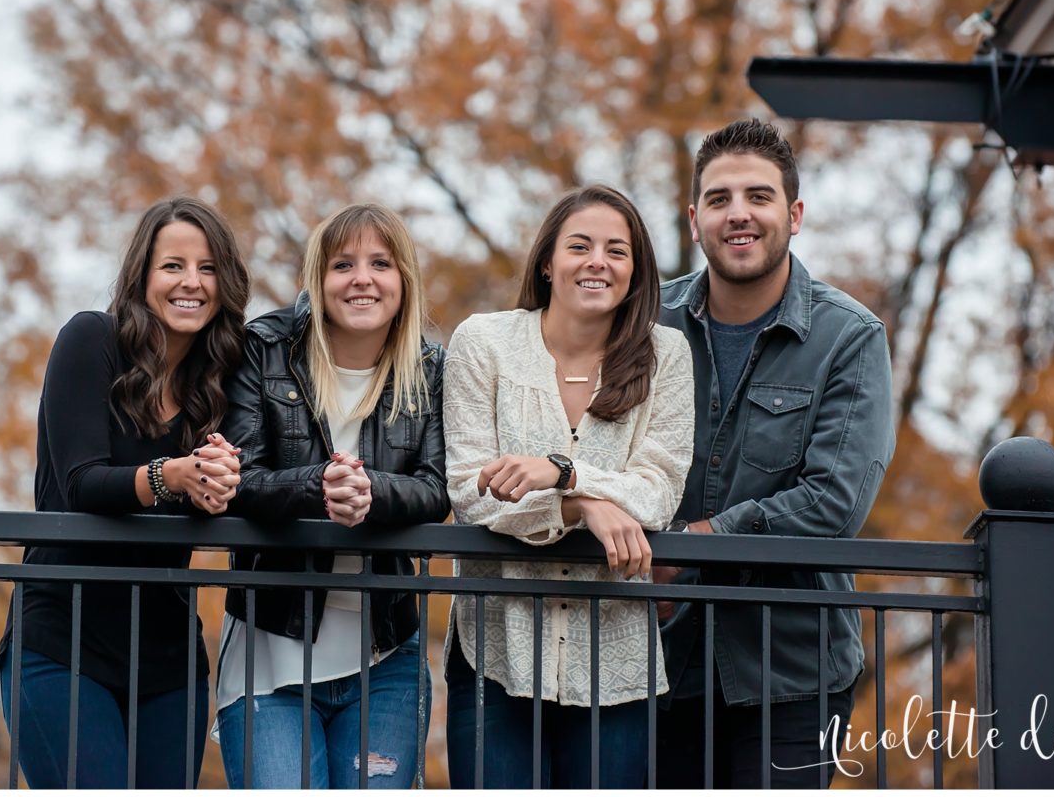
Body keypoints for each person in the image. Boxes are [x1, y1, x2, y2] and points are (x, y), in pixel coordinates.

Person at [654, 119, 895, 789]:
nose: (739, 215)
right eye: (720, 198)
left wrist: (698, 541)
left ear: (793, 215)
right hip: (649, 665)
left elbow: (833, 505)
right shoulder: (646, 321)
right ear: (694, 215)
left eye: (758, 197)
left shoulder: (849, 337)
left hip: (792, 673)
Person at [443, 185, 694, 789]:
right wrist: (582, 505)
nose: (597, 262)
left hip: (618, 658)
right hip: (495, 651)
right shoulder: (484, 343)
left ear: (635, 272)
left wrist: (565, 473)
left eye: (617, 250)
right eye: (579, 246)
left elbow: (659, 492)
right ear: (548, 263)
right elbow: (468, 491)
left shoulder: (667, 355)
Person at [0, 197, 250, 788]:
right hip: (63, 642)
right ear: (142, 276)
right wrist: (173, 476)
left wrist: (220, 485)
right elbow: (81, 481)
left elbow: (237, 488)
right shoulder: (92, 340)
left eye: (208, 268)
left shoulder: (224, 380)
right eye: (173, 266)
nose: (192, 283)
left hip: (170, 659)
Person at [215, 204, 446, 787]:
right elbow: (239, 476)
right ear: (318, 281)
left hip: (386, 654)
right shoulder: (263, 349)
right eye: (343, 264)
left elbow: (437, 487)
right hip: (269, 654)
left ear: (404, 281)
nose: (362, 278)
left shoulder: (429, 367)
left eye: (380, 264)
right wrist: (317, 485)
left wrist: (372, 493)